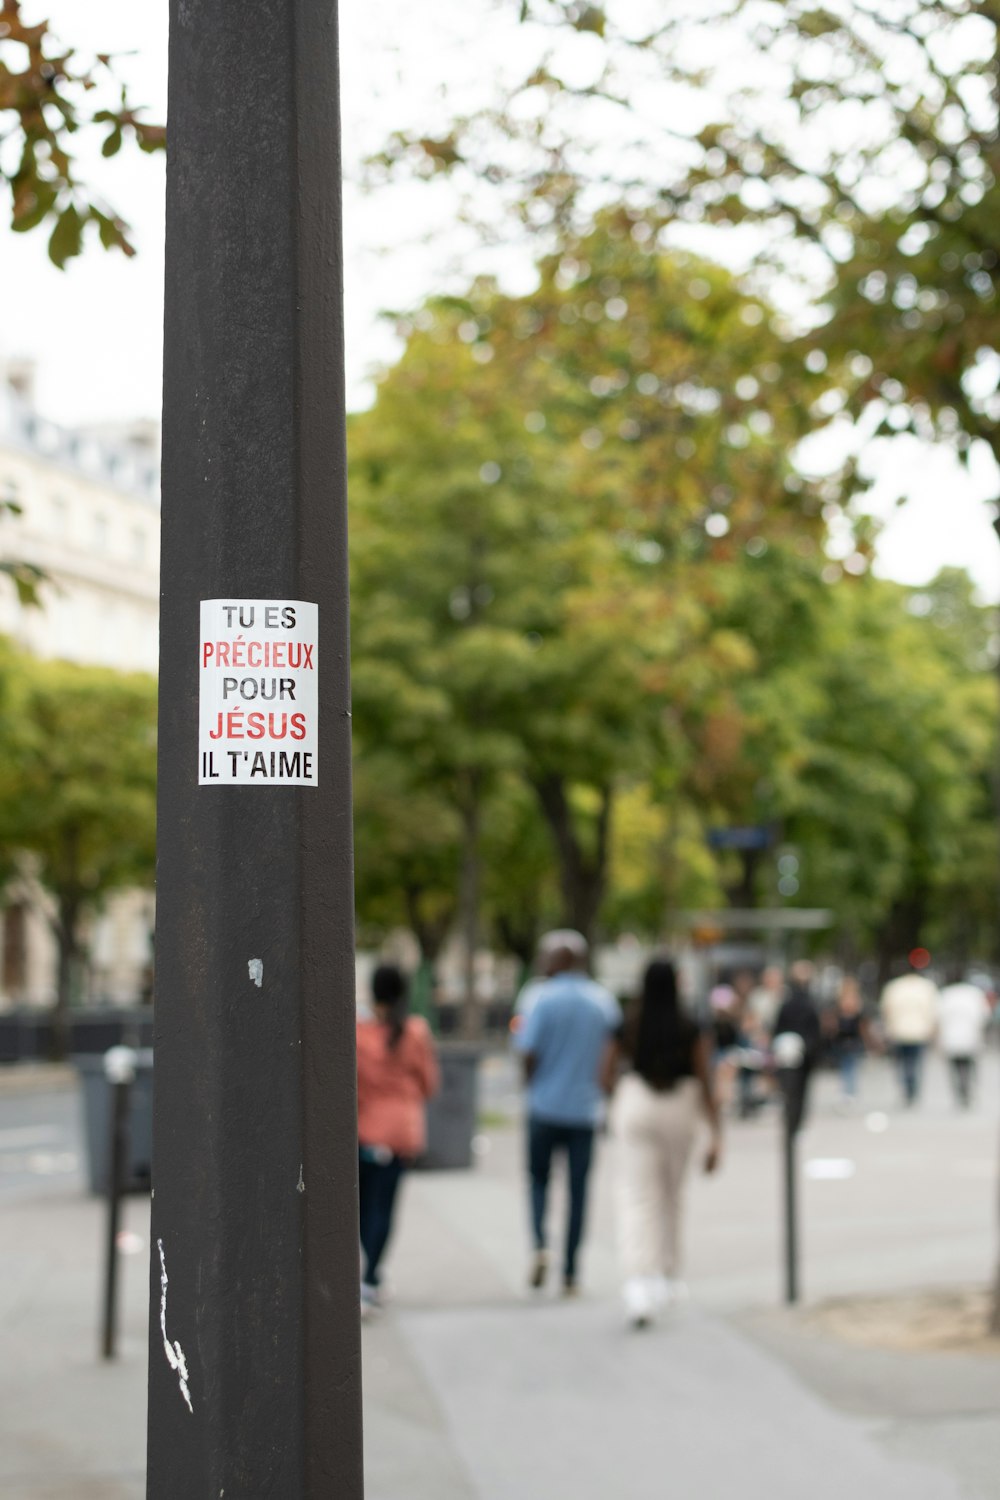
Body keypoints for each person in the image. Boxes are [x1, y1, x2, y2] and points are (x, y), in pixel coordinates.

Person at [605, 958, 721, 1328]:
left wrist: (619, 1097)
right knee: (671, 1194)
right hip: (680, 1106)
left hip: (637, 1102)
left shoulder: (629, 1023)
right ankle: (667, 1274)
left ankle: (639, 1280)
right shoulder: (689, 1024)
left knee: (638, 1196)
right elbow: (706, 1077)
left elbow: (604, 1071)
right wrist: (716, 1133)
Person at [513, 930, 620, 1296]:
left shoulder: (539, 999)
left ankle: (541, 1243)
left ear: (562, 960)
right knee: (578, 1192)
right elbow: (611, 1059)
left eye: (547, 956)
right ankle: (572, 1272)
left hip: (543, 1107)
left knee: (539, 1181)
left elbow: (527, 1051)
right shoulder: (603, 1002)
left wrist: (530, 1084)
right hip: (584, 1112)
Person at [356, 963, 439, 1314]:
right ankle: (371, 1276)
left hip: (365, 1132)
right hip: (401, 1135)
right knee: (385, 1208)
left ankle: (367, 1276)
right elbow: (429, 1084)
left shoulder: (359, 1032)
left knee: (363, 1207)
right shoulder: (416, 1031)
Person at [771, 961, 823, 1132]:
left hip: (802, 1054)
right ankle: (792, 1122)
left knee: (795, 1094)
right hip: (795, 1054)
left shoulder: (793, 1001)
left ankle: (793, 1122)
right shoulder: (800, 1002)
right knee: (795, 1094)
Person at [880, 961, 939, 1106]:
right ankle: (912, 1088)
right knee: (915, 1061)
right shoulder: (926, 987)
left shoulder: (894, 987)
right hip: (919, 1031)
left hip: (898, 1031)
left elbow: (886, 1009)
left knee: (902, 1062)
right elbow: (933, 1010)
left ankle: (907, 1087)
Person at [937, 974, 991, 1108]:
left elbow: (938, 1016)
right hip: (970, 1036)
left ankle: (960, 1090)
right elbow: (984, 1014)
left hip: (951, 1037)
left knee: (955, 1066)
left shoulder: (946, 994)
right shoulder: (974, 994)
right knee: (969, 1064)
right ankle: (966, 1088)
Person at [831, 976, 870, 1105]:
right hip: (845, 1039)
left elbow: (861, 1023)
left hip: (849, 1039)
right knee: (848, 1066)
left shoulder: (851, 1003)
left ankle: (848, 1091)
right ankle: (849, 1091)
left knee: (848, 1066)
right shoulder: (848, 1002)